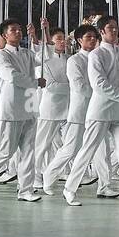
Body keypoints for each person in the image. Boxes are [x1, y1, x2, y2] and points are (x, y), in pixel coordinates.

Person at [61, 16, 119, 208]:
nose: (114, 31)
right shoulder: (96, 55)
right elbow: (99, 85)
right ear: (101, 32)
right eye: (110, 28)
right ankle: (69, 189)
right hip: (101, 110)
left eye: (116, 28)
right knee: (88, 151)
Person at [0, 20, 44, 201]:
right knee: (6, 151)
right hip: (11, 105)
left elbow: (46, 57)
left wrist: (37, 35)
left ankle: (25, 190)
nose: (18, 33)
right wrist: (35, 82)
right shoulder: (0, 56)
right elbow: (11, 75)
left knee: (29, 151)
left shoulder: (27, 53)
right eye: (13, 30)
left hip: (29, 102)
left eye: (20, 30)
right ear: (4, 35)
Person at [42, 24, 98, 193]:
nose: (93, 40)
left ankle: (104, 186)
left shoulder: (99, 57)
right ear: (79, 41)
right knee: (70, 149)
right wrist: (101, 92)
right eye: (88, 37)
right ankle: (48, 177)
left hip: (98, 109)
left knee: (100, 150)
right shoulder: (74, 60)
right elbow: (79, 86)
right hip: (80, 110)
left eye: (95, 37)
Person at [34, 22, 72, 190]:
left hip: (68, 109)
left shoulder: (70, 59)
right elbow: (50, 86)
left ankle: (59, 172)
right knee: (41, 146)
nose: (62, 42)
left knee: (64, 145)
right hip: (50, 110)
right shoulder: (44, 62)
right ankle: (34, 176)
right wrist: (72, 86)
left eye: (64, 39)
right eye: (58, 39)